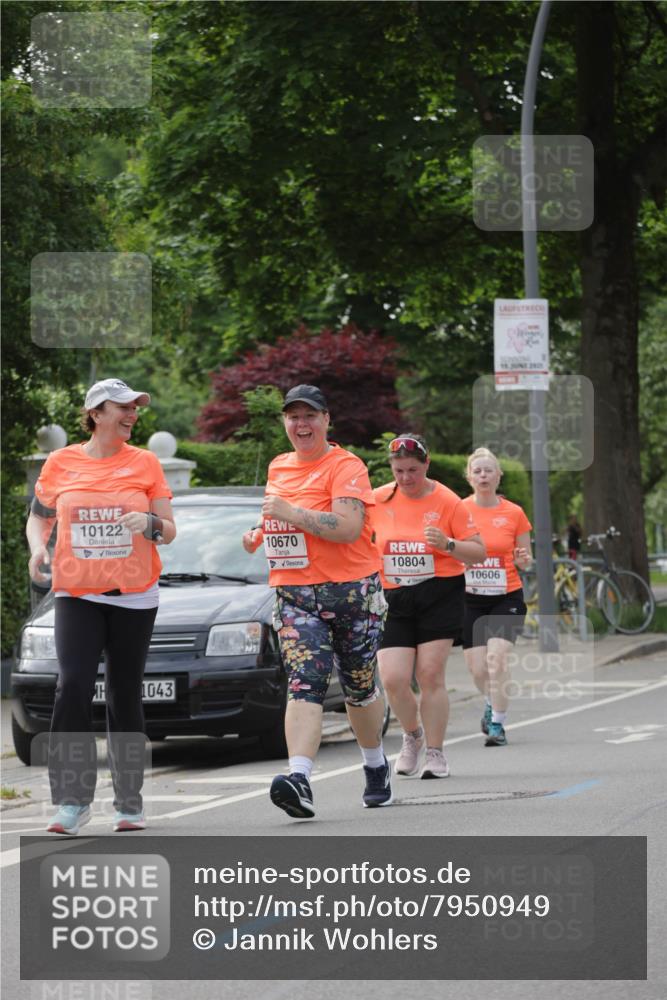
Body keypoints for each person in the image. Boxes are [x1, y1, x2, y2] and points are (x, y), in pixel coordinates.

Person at [26, 378, 176, 835]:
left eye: (135, 408)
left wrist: (148, 522)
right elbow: (39, 516)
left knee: (123, 694)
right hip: (77, 593)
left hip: (135, 595)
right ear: (95, 413)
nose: (132, 414)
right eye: (122, 407)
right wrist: (37, 548)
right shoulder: (61, 462)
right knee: (71, 686)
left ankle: (129, 802)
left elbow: (169, 530)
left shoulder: (146, 462)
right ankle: (72, 802)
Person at [242, 384, 390, 818]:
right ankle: (299, 779)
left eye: (310, 416)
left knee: (359, 687)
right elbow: (278, 516)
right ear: (284, 422)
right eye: (293, 416)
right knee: (304, 682)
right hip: (295, 594)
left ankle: (375, 764)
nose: (301, 424)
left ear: (326, 420)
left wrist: (289, 513)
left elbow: (347, 527)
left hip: (352, 592)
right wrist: (260, 532)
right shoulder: (278, 466)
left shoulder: (346, 466)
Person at [372, 435, 485, 779]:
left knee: (430, 674)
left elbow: (478, 551)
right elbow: (353, 537)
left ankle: (436, 753)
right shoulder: (378, 499)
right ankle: (413, 736)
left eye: (413, 470)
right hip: (393, 596)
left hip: (439, 593)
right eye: (399, 471)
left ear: (427, 464)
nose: (406, 478)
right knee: (393, 679)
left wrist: (448, 544)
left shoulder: (448, 501)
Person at [461, 447, 532, 747]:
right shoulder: (459, 510)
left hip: (507, 596)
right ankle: (491, 702)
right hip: (470, 598)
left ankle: (497, 725)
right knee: (478, 669)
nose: (483, 475)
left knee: (497, 658)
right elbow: (447, 552)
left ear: (498, 475)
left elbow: (526, 559)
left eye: (488, 470)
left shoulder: (514, 513)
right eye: (477, 471)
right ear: (469, 477)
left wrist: (523, 559)